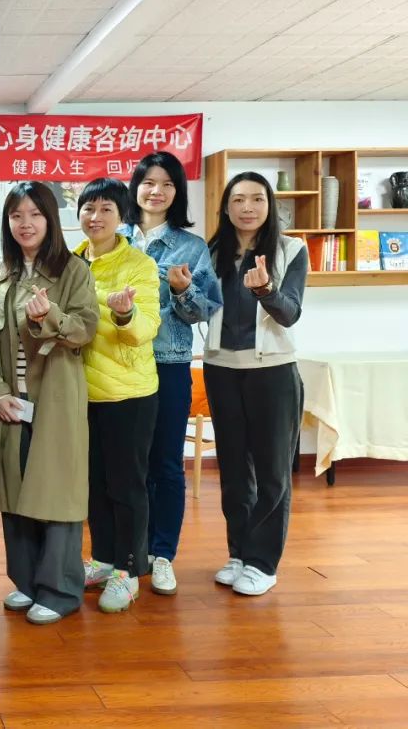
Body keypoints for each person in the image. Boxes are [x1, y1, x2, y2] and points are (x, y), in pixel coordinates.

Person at [0, 181, 98, 625]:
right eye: (16, 216)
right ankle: (27, 582)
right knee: (16, 491)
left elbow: (85, 329)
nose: (25, 224)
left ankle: (60, 590)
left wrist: (48, 315)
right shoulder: (1, 275)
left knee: (57, 494)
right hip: (12, 401)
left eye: (34, 214)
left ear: (50, 219)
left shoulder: (73, 270)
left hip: (56, 399)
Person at [120, 152, 223, 595]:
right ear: (136, 188)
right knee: (124, 464)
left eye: (166, 184)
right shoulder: (114, 238)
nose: (155, 191)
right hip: (116, 366)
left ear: (177, 192)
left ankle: (162, 553)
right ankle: (128, 551)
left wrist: (183, 290)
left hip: (167, 364)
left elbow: (205, 309)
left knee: (164, 463)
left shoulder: (191, 247)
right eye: (148, 182)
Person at [204, 171, 306, 597]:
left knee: (272, 472)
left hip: (273, 372)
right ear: (226, 207)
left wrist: (265, 290)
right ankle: (240, 552)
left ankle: (263, 563)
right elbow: (200, 308)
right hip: (221, 369)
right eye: (238, 199)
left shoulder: (290, 249)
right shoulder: (211, 252)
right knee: (233, 470)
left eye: (257, 198)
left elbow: (290, 313)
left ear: (270, 205)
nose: (248, 207)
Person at [74, 178, 160, 614]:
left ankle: (128, 571)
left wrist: (124, 313)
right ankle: (104, 559)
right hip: (81, 393)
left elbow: (146, 329)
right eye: (89, 208)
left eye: (106, 208)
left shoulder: (139, 265)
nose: (96, 217)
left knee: (127, 486)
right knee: (95, 485)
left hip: (128, 393)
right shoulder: (72, 261)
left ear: (122, 216)